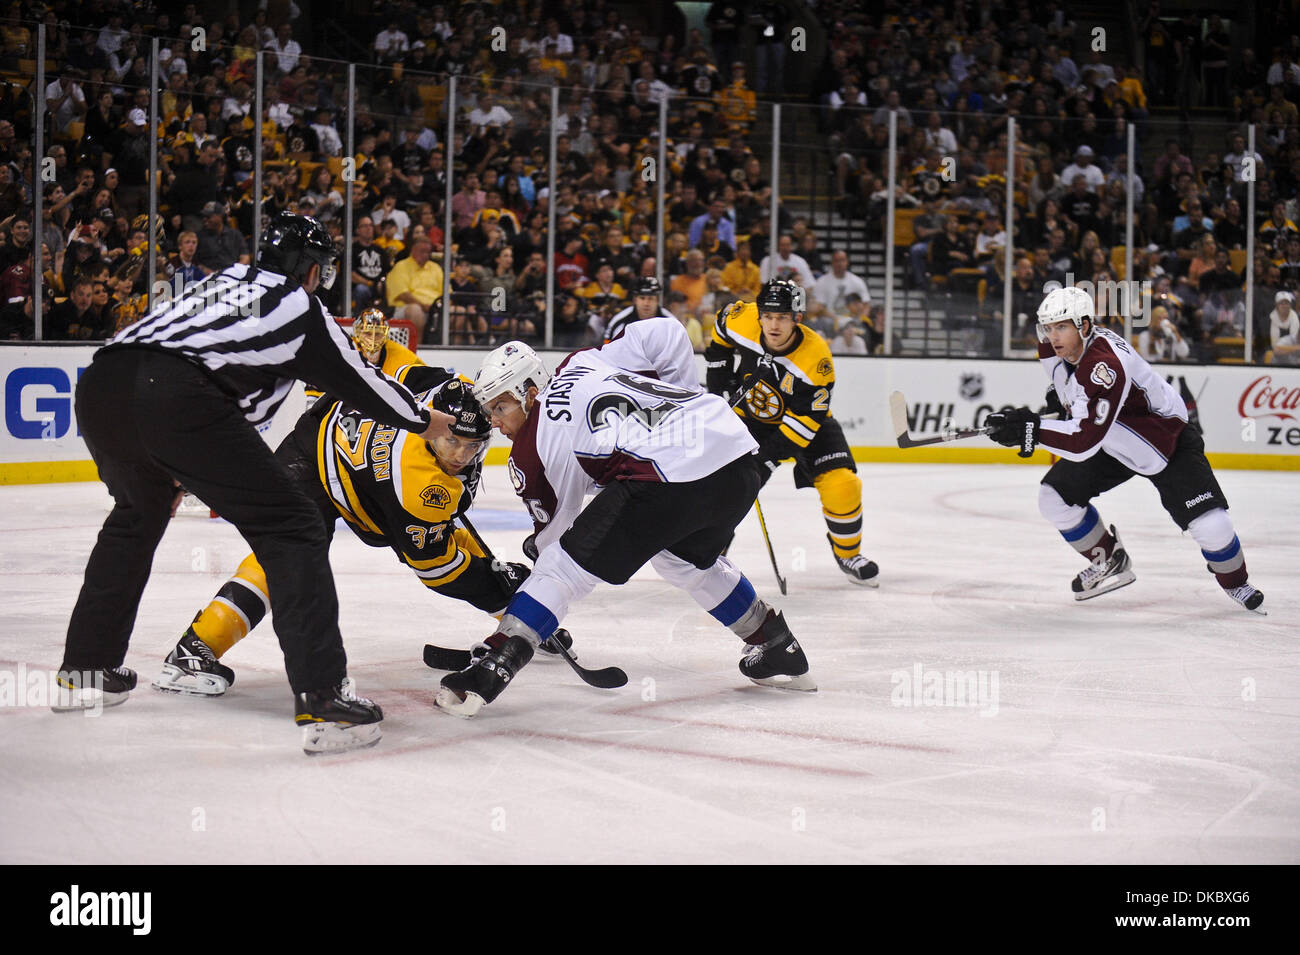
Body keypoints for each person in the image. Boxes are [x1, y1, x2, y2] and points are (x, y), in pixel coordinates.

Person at [52, 213, 457, 756]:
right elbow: (363, 383)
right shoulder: (298, 305)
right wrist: (432, 423)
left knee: (134, 518)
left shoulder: (221, 281)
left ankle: (87, 668)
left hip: (103, 384)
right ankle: (325, 699)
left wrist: (171, 456)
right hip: (178, 394)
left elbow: (167, 353)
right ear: (311, 270)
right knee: (293, 524)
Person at [435, 320, 816, 716]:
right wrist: (684, 394)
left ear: (529, 392)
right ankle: (776, 644)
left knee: (557, 571)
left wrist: (532, 595)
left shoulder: (531, 451)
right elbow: (666, 334)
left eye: (500, 406)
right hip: (734, 458)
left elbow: (555, 542)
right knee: (683, 561)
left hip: (667, 479)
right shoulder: (579, 362)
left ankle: (493, 666)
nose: (495, 421)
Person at [155, 372, 545, 695]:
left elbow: (399, 372)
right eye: (451, 441)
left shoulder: (449, 390)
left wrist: (514, 610)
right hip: (313, 469)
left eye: (472, 445)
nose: (460, 455)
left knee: (285, 557)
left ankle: (196, 649)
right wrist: (503, 598)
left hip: (326, 434)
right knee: (287, 560)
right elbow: (436, 568)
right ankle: (195, 650)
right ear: (433, 431)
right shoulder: (419, 485)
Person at [984, 286, 1264, 613]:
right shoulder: (1051, 348)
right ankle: (1108, 559)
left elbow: (1082, 440)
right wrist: (1061, 400)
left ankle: (1236, 583)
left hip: (1165, 440)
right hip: (1113, 438)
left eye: (1061, 326)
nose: (1052, 336)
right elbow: (1075, 398)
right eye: (1048, 327)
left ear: (1084, 325)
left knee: (1213, 528)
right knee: (1053, 499)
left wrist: (1031, 430)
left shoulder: (1104, 366)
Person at [705, 280, 879, 586]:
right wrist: (721, 386)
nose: (774, 324)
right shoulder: (740, 317)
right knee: (727, 486)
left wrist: (766, 459)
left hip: (808, 423)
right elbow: (720, 336)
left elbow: (803, 425)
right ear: (758, 314)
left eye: (783, 317)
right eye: (768, 316)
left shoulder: (816, 359)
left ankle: (848, 553)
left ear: (797, 318)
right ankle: (709, 552)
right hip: (752, 416)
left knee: (843, 484)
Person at [602, 276, 678, 343]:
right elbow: (608, 349)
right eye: (642, 298)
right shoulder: (619, 321)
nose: (646, 303)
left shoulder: (671, 322)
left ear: (657, 300)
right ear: (635, 300)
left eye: (650, 298)